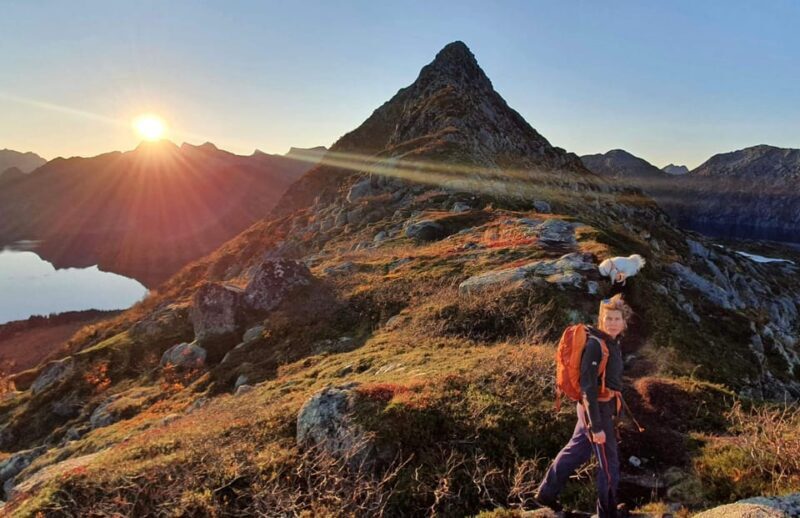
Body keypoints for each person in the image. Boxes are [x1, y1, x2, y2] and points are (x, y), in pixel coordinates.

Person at [534, 294, 633, 517]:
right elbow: (588, 387)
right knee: (609, 465)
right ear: (601, 320)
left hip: (595, 408)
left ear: (624, 322)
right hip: (595, 409)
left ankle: (546, 494)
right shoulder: (596, 346)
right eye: (608, 319)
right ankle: (607, 513)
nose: (613, 323)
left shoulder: (613, 342)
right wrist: (596, 426)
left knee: (576, 451)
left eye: (617, 319)